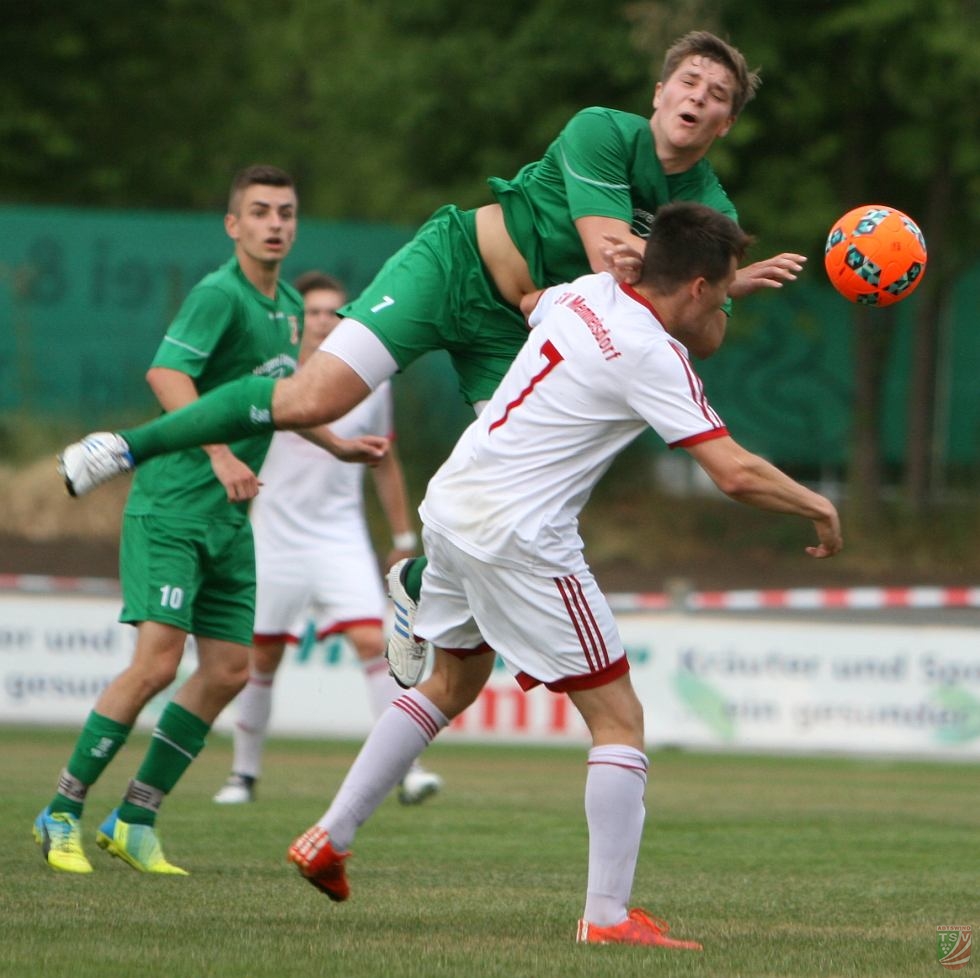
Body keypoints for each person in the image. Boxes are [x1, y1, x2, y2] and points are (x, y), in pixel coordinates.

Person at [56, 31, 805, 679]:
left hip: (513, 333)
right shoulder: (603, 132)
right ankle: (125, 446)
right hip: (450, 267)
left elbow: (704, 331)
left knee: (515, 488)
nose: (697, 98)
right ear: (661, 89)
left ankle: (415, 581)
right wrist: (722, 275)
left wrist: (718, 287)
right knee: (314, 399)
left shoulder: (712, 211)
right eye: (689, 82)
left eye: (715, 95)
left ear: (727, 122)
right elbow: (612, 256)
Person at [284, 203, 842, 948]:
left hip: (453, 504)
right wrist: (819, 508)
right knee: (619, 720)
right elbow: (734, 473)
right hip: (521, 538)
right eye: (725, 289)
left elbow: (526, 301)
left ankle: (329, 837)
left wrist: (699, 281)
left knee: (450, 684)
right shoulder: (652, 353)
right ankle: (608, 919)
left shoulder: (585, 293)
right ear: (702, 285)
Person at [32, 166, 387, 875]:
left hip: (229, 519)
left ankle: (135, 817)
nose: (275, 223)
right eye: (258, 212)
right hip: (173, 506)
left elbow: (278, 401)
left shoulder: (287, 303)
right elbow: (166, 376)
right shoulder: (218, 294)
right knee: (157, 665)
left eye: (285, 212)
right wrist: (220, 453)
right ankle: (62, 810)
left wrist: (337, 442)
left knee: (228, 669)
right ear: (233, 225)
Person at [213, 272, 442, 806]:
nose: (322, 321)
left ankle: (406, 770)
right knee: (261, 658)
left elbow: (385, 461)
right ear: (299, 320)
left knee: (374, 645)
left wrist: (403, 532)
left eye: (333, 312)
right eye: (313, 312)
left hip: (340, 536)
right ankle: (242, 775)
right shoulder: (273, 377)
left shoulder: (371, 381)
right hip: (273, 535)